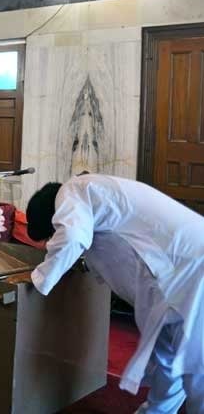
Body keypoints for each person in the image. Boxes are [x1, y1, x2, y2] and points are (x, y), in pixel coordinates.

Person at [26, 174, 204, 414]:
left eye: (50, 235)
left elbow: (72, 237)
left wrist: (36, 280)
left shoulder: (72, 191)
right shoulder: (93, 193)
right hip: (174, 278)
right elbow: (106, 248)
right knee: (168, 360)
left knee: (197, 368)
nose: (52, 238)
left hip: (191, 272)